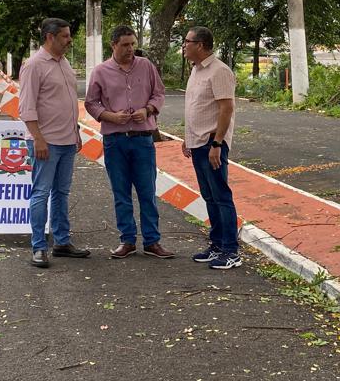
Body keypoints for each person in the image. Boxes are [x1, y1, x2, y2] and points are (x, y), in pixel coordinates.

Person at [85, 25, 172, 259]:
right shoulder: (100, 71)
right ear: (113, 45)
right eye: (125, 45)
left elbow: (159, 93)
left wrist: (148, 109)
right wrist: (110, 116)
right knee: (121, 193)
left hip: (142, 139)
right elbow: (91, 102)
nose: (130, 49)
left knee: (147, 191)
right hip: (115, 141)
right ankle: (127, 240)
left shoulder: (146, 66)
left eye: (133, 44)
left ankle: (152, 241)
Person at [18, 17, 90, 268]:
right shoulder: (34, 65)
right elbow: (26, 108)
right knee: (41, 193)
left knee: (61, 193)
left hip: (68, 140)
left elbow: (67, 101)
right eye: (65, 36)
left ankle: (61, 242)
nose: (70, 40)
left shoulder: (64, 63)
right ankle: (39, 247)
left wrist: (75, 131)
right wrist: (38, 139)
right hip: (46, 143)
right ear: (50, 37)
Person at [180, 26, 241, 270]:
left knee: (221, 196)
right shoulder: (196, 70)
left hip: (212, 143)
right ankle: (216, 245)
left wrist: (217, 143)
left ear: (201, 45)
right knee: (209, 196)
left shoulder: (219, 71)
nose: (184, 45)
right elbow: (197, 107)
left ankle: (231, 250)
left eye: (187, 41)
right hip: (197, 143)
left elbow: (226, 109)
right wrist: (187, 137)